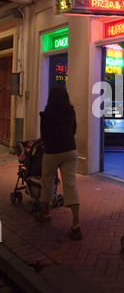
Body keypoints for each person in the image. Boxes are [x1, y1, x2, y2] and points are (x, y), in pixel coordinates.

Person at [37, 86, 82, 240]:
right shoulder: (71, 112)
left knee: (47, 180)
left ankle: (45, 213)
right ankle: (76, 223)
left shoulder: (47, 114)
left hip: (52, 151)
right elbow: (74, 130)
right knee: (70, 184)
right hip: (70, 150)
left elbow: (43, 135)